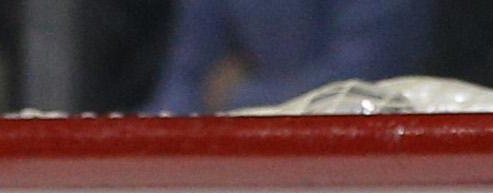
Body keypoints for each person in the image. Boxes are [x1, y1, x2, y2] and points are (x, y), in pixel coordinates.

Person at [140, 0, 432, 114]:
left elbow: (358, 85)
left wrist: (237, 96)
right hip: (251, 157)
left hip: (375, 152)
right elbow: (186, 77)